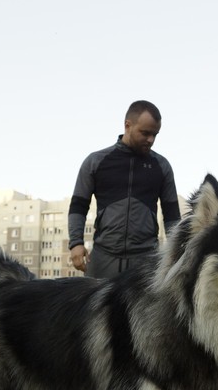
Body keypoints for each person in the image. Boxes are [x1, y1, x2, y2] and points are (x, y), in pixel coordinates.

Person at [68, 100, 181, 279]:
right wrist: (75, 243)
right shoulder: (96, 161)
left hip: (146, 262)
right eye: (145, 133)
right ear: (128, 125)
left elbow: (172, 215)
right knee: (93, 308)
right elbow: (78, 206)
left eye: (155, 134)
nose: (150, 140)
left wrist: (177, 254)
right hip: (103, 260)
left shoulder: (161, 166)